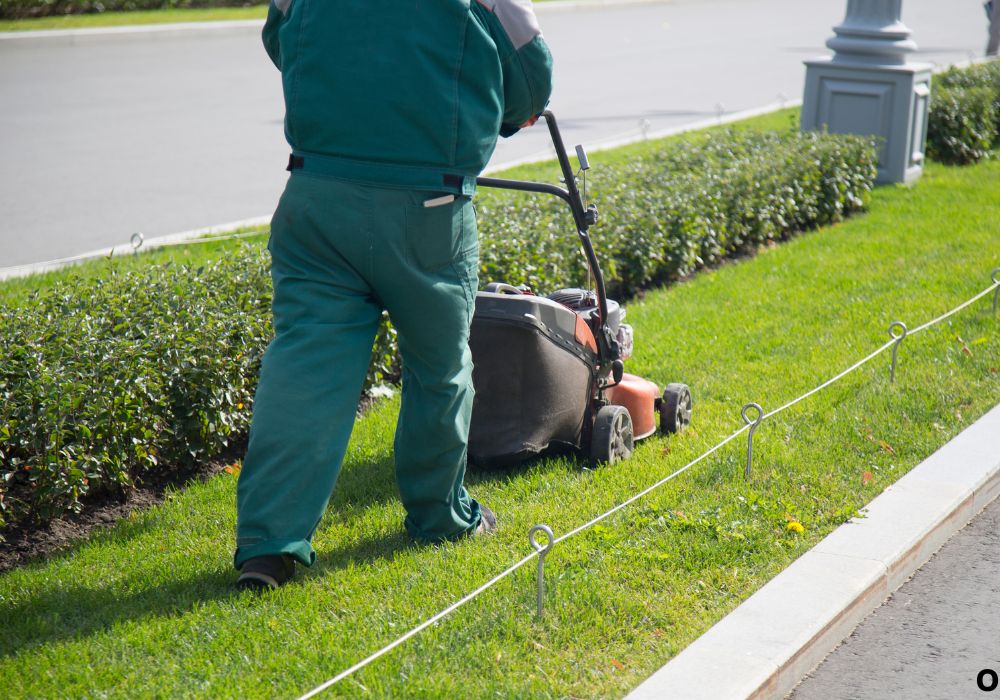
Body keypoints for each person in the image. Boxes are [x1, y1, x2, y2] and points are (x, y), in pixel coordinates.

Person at [234, 0, 553, 591]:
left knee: (305, 367)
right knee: (438, 367)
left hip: (317, 197)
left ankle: (268, 546)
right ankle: (441, 518)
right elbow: (531, 83)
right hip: (428, 208)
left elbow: (282, 44)